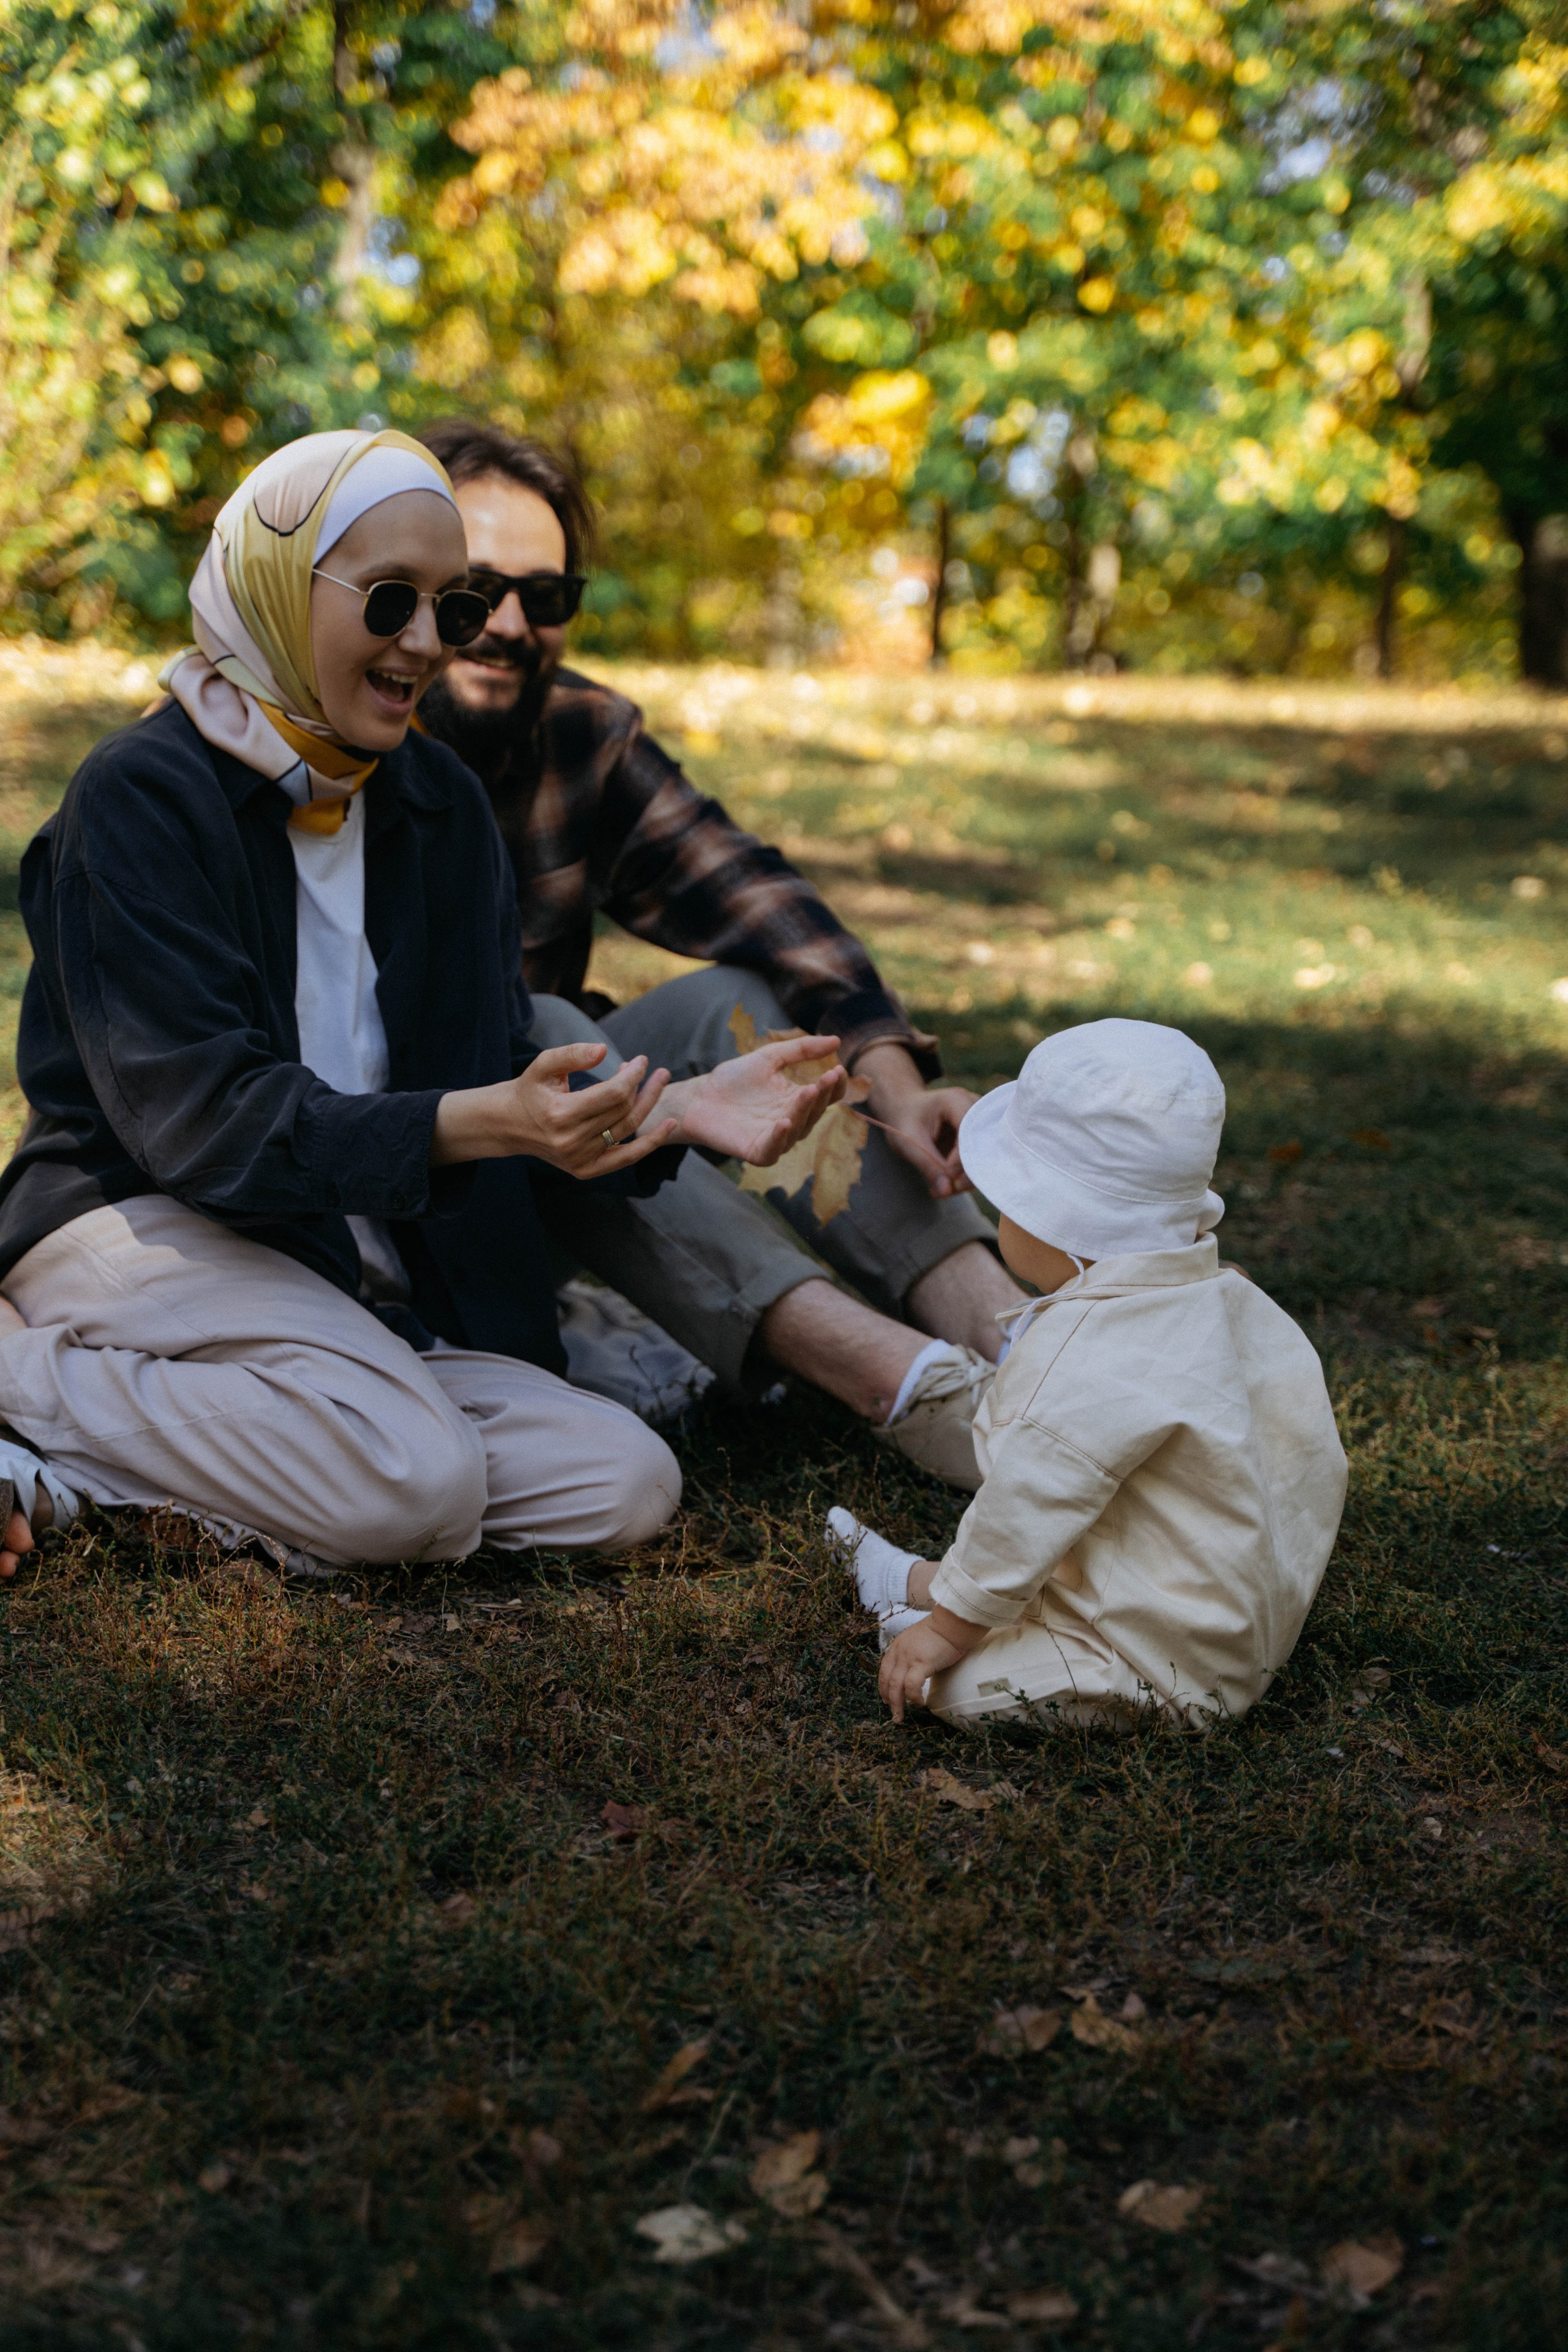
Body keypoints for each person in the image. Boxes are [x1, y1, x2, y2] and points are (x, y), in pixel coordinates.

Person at [0, 428, 846, 1580]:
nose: (427, 643)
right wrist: (478, 1122)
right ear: (277, 585)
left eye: (451, 608)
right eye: (391, 599)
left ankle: (244, 1452)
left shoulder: (437, 802)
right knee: (417, 1481)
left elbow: (489, 1063)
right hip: (148, 1224)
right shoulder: (141, 796)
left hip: (337, 1266)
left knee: (622, 1479)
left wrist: (671, 1112)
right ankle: (24, 1374)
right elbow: (203, 1125)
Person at [412, 419, 1028, 1487]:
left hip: (547, 1183)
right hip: (384, 1197)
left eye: (545, 597)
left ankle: (1013, 1335)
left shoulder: (575, 732)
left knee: (737, 1001)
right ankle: (893, 1377)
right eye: (475, 589)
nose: (509, 624)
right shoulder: (308, 745)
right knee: (542, 1032)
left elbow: (757, 901)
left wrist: (893, 1074)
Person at [829, 1020, 1348, 1731]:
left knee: (954, 1688)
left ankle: (928, 1616)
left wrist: (947, 1637)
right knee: (1049, 1557)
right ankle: (918, 1583)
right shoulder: (1230, 1301)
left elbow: (1024, 1511)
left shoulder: (1083, 1359)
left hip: (1164, 1664)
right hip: (1227, 1608)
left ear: (1051, 1221)